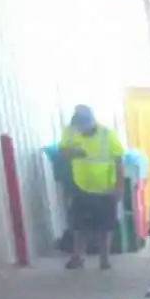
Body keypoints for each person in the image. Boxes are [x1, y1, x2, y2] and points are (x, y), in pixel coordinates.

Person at [57, 105, 125, 270]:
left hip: (105, 188)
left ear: (91, 122)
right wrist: (71, 153)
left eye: (83, 124)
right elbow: (62, 151)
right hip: (80, 186)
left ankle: (104, 259)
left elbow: (119, 161)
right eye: (78, 124)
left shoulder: (107, 135)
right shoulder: (70, 131)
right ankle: (78, 257)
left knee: (105, 226)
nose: (80, 128)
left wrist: (119, 186)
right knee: (79, 225)